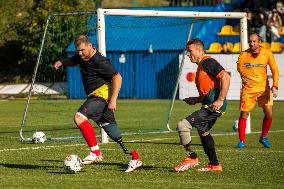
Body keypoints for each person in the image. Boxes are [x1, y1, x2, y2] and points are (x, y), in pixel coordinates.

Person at [53, 34, 142, 172]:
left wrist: (113, 99)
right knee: (114, 133)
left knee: (79, 117)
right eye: (78, 51)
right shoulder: (81, 56)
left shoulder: (99, 60)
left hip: (101, 96)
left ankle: (95, 153)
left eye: (82, 50)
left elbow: (117, 78)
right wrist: (62, 62)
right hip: (97, 98)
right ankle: (135, 158)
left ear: (90, 46)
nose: (80, 53)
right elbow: (73, 60)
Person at [174, 38, 231, 172]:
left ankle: (192, 157)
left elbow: (226, 77)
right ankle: (215, 165)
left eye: (190, 51)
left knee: (183, 125)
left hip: (214, 106)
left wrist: (220, 100)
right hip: (209, 104)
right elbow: (210, 91)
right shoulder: (201, 65)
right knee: (203, 131)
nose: (188, 54)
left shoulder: (207, 62)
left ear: (199, 50)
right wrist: (196, 99)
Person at [236, 33, 279, 149]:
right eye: (250, 41)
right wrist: (247, 80)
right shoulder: (243, 55)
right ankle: (242, 141)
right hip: (248, 90)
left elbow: (275, 70)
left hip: (264, 89)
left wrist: (275, 86)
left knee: (269, 114)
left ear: (259, 42)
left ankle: (263, 137)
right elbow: (239, 68)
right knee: (244, 114)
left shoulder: (267, 53)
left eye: (254, 41)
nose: (252, 43)